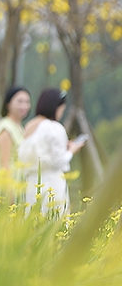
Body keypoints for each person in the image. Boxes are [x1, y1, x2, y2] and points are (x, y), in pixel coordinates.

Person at [18, 88, 84, 217]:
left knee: (33, 221)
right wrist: (71, 150)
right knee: (54, 220)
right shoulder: (54, 127)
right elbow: (59, 161)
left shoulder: (29, 126)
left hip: (31, 183)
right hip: (51, 183)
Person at [0, 86, 30, 203]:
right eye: (20, 101)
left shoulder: (19, 128)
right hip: (8, 181)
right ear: (8, 104)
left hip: (19, 180)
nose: (24, 106)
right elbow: (4, 163)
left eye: (27, 102)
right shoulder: (6, 128)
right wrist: (10, 194)